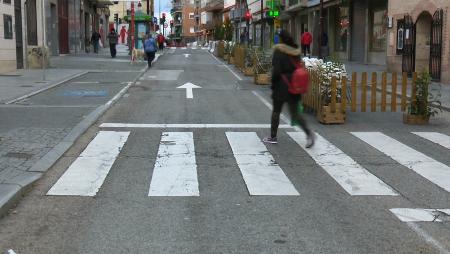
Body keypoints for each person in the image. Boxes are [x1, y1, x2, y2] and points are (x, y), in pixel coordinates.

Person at [263, 30, 315, 148]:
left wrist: (273, 84)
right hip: (294, 84)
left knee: (276, 111)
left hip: (281, 85)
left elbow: (276, 71)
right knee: (295, 113)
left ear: (281, 39)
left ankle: (273, 136)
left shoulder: (278, 50)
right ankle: (309, 133)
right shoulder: (295, 52)